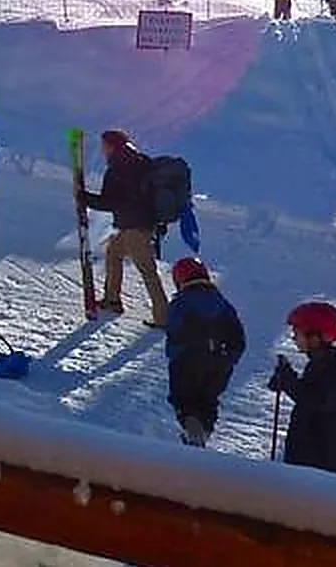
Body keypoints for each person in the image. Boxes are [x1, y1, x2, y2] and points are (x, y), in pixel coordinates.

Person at [268, 301, 336, 476]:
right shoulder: (332, 364)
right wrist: (288, 381)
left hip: (321, 470)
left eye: (298, 332)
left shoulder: (335, 370)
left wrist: (289, 381)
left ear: (316, 337)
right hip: (321, 467)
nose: (294, 337)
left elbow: (319, 401)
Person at [77, 129, 169, 328]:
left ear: (110, 146)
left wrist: (85, 198)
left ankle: (164, 317)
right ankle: (112, 300)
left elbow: (111, 201)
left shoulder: (118, 167)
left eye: (104, 146)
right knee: (113, 252)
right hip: (142, 223)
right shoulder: (141, 161)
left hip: (135, 227)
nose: (102, 150)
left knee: (148, 271)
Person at [164, 257, 246, 447]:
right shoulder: (222, 303)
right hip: (218, 361)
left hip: (187, 361)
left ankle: (193, 434)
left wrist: (176, 356)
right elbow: (238, 336)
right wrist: (228, 360)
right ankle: (204, 432)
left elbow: (174, 331)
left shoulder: (181, 302)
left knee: (184, 400)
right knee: (208, 400)